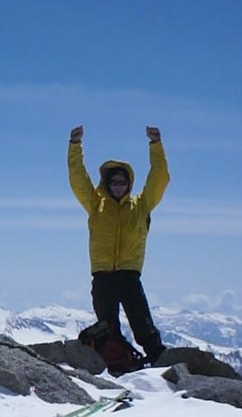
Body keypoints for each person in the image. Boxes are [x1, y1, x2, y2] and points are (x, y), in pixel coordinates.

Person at [67, 124, 169, 363]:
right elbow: (78, 178)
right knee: (107, 329)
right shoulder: (96, 204)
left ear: (129, 184)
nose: (118, 186)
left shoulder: (140, 206)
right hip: (102, 276)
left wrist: (155, 145)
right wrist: (75, 146)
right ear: (107, 183)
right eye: (114, 182)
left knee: (143, 326)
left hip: (129, 274)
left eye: (122, 182)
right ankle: (118, 364)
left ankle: (159, 364)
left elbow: (159, 178)